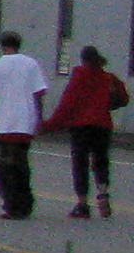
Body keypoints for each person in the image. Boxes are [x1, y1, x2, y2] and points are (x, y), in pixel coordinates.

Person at [40, 41, 127, 220]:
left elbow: (68, 103)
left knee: (80, 164)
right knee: (100, 161)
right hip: (102, 125)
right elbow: (124, 98)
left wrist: (49, 126)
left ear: (83, 59)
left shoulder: (79, 76)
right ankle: (102, 192)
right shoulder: (109, 78)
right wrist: (108, 105)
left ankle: (82, 204)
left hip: (81, 127)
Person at [0, 29, 50, 220]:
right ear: (19, 44)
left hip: (3, 125)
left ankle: (11, 204)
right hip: (25, 123)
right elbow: (38, 94)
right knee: (21, 164)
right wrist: (39, 119)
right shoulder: (31, 64)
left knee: (3, 167)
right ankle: (25, 203)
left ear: (2, 45)